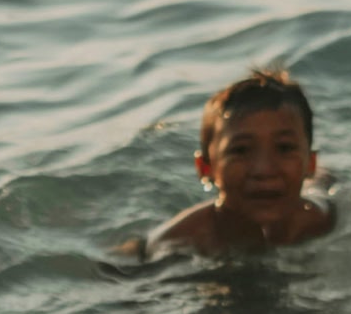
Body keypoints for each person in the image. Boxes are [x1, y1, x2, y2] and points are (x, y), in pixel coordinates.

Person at [129, 68, 334, 259]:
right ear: (205, 168)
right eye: (241, 150)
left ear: (310, 163)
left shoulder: (320, 219)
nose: (264, 169)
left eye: (284, 148)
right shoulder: (180, 243)